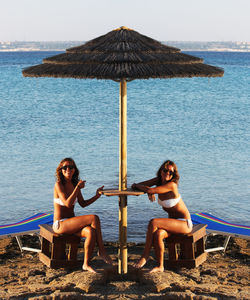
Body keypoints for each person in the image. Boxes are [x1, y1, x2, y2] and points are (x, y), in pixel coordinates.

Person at [131, 160, 192, 273]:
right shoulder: (158, 181)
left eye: (171, 172)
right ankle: (160, 266)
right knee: (158, 234)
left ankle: (145, 256)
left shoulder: (172, 185)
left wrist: (150, 191)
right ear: (160, 171)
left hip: (184, 223)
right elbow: (143, 186)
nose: (168, 173)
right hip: (173, 223)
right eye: (165, 170)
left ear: (174, 175)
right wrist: (138, 186)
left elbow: (149, 189)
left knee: (153, 222)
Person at [53, 157, 112, 273]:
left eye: (71, 167)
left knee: (90, 231)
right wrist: (77, 188)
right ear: (61, 170)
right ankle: (102, 250)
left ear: (75, 170)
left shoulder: (75, 184)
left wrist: (97, 195)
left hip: (71, 224)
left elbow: (83, 204)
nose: (68, 169)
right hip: (60, 224)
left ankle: (86, 264)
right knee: (94, 218)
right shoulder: (59, 185)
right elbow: (67, 203)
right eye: (65, 167)